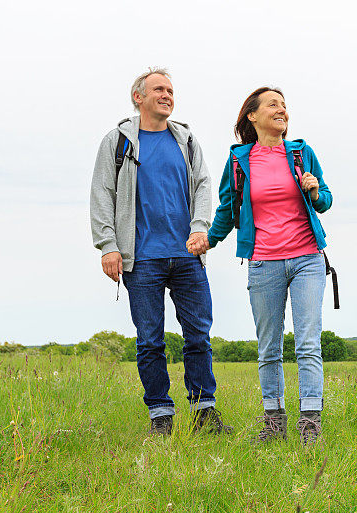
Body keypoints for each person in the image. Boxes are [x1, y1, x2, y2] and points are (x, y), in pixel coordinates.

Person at [90, 68, 231, 436]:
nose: (167, 95)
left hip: (187, 256)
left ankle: (204, 413)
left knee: (198, 336)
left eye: (170, 90)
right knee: (150, 340)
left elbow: (203, 185)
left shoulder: (185, 139)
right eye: (159, 89)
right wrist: (108, 246)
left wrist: (201, 227)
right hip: (142, 258)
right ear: (138, 97)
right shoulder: (117, 141)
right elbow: (102, 193)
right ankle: (160, 416)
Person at [193, 87, 332, 445]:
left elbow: (326, 201)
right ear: (253, 116)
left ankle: (310, 424)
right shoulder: (239, 161)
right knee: (269, 346)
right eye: (273, 104)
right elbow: (227, 209)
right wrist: (209, 238)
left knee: (307, 343)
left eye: (284, 105)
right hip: (263, 263)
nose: (282, 109)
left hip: (307, 259)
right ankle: (274, 421)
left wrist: (315, 191)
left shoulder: (301, 153)